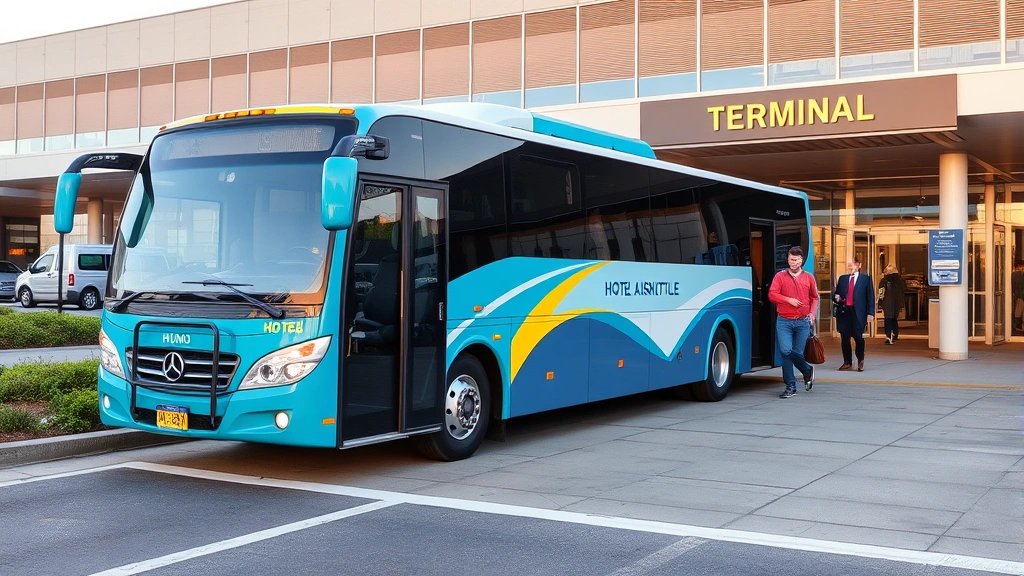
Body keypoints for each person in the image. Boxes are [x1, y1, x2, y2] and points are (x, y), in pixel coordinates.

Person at [768, 246, 819, 399]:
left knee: (796, 353)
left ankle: (804, 373)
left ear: (801, 260)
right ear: (788, 259)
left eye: (796, 260)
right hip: (784, 321)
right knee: (785, 351)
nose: (793, 262)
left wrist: (812, 314)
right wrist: (788, 300)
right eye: (791, 259)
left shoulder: (808, 277)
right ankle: (792, 384)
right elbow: (772, 294)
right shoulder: (780, 276)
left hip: (803, 322)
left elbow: (815, 297)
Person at [833, 257, 874, 371]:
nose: (850, 267)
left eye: (852, 264)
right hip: (844, 312)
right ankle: (847, 362)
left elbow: (870, 297)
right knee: (845, 337)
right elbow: (836, 294)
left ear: (858, 265)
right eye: (848, 265)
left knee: (858, 336)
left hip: (858, 313)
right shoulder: (842, 278)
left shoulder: (865, 279)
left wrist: (870, 313)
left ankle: (860, 360)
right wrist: (837, 297)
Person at [878, 264, 906, 345]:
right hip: (897, 302)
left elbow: (881, 292)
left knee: (888, 318)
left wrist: (880, 302)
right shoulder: (900, 281)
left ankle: (888, 335)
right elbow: (902, 292)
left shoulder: (884, 281)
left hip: (887, 301)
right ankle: (895, 333)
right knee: (894, 317)